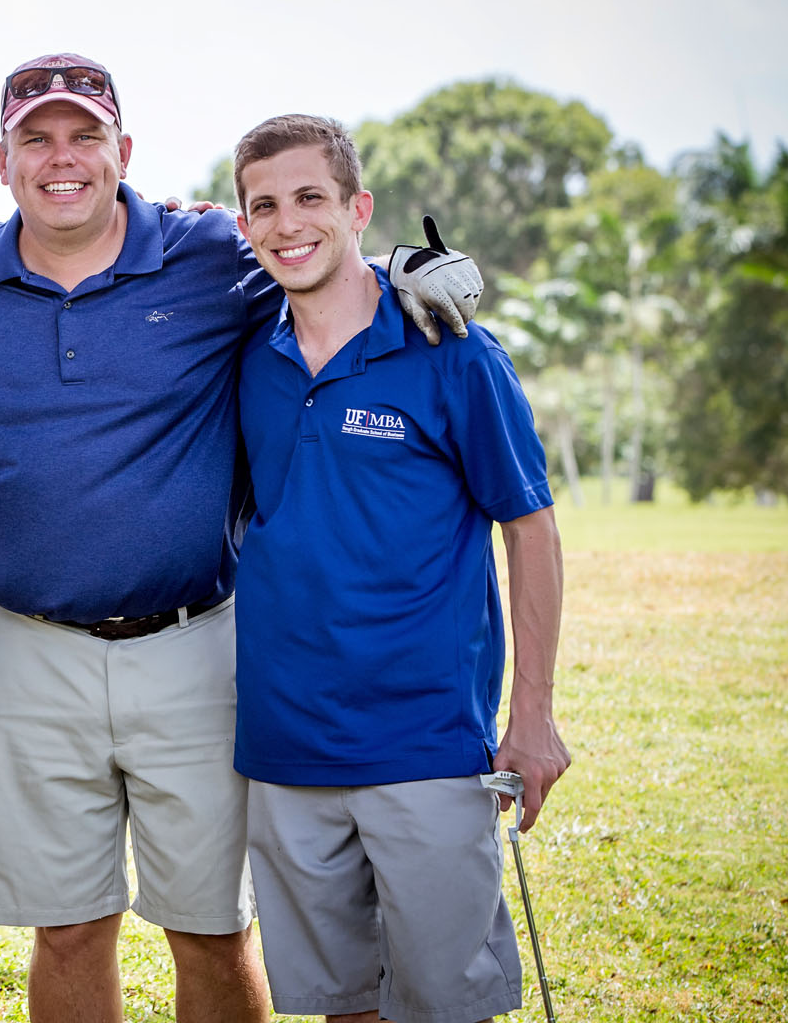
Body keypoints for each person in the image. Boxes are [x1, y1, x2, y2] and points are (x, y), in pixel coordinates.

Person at [0, 56, 480, 1023]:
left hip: (193, 650)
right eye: (37, 139)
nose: (63, 159)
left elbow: (311, 254)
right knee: (65, 927)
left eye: (85, 135)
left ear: (123, 152)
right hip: (26, 653)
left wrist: (402, 266)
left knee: (211, 929)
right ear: (4, 159)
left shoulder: (206, 256)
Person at [227, 114, 569, 1023]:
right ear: (244, 224)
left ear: (358, 208)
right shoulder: (246, 349)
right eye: (265, 205)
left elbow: (530, 530)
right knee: (343, 1006)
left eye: (311, 198)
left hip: (424, 745)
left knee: (443, 1009)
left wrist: (531, 716)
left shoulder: (452, 350)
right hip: (284, 744)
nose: (288, 223)